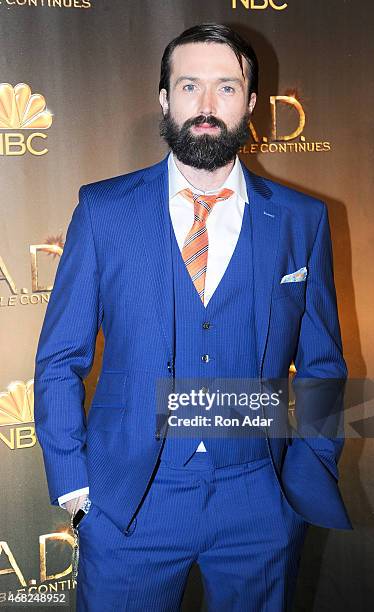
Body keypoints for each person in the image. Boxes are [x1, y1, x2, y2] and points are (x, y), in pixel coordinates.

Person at [34, 23, 351, 612]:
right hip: (130, 502)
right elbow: (59, 359)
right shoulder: (104, 211)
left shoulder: (302, 221)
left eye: (226, 88)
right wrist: (77, 489)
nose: (207, 106)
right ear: (164, 99)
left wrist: (307, 474)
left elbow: (323, 363)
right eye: (189, 86)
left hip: (259, 497)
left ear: (252, 104)